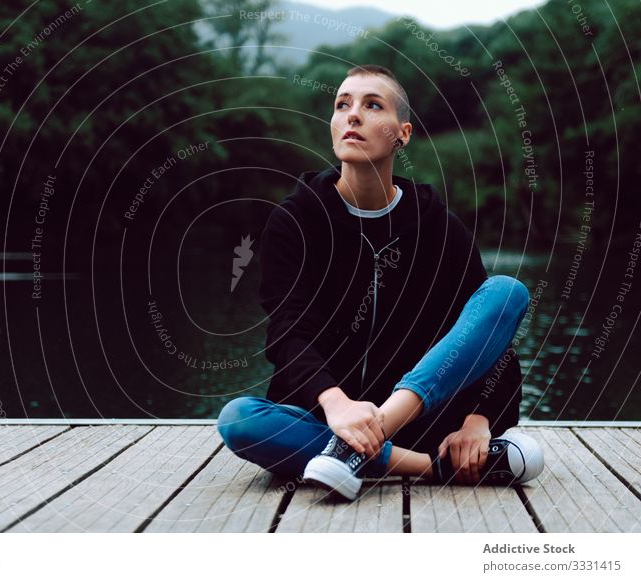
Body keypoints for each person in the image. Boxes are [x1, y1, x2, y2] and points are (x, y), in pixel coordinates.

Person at [216, 64, 544, 500]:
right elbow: (288, 331)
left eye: (373, 105)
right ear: (333, 125)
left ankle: (359, 449)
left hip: (425, 419)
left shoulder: (438, 228)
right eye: (342, 105)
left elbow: (490, 343)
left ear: (403, 133)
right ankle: (426, 467)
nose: (353, 115)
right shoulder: (295, 221)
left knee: (507, 293)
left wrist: (478, 420)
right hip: (325, 418)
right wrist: (337, 405)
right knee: (240, 419)